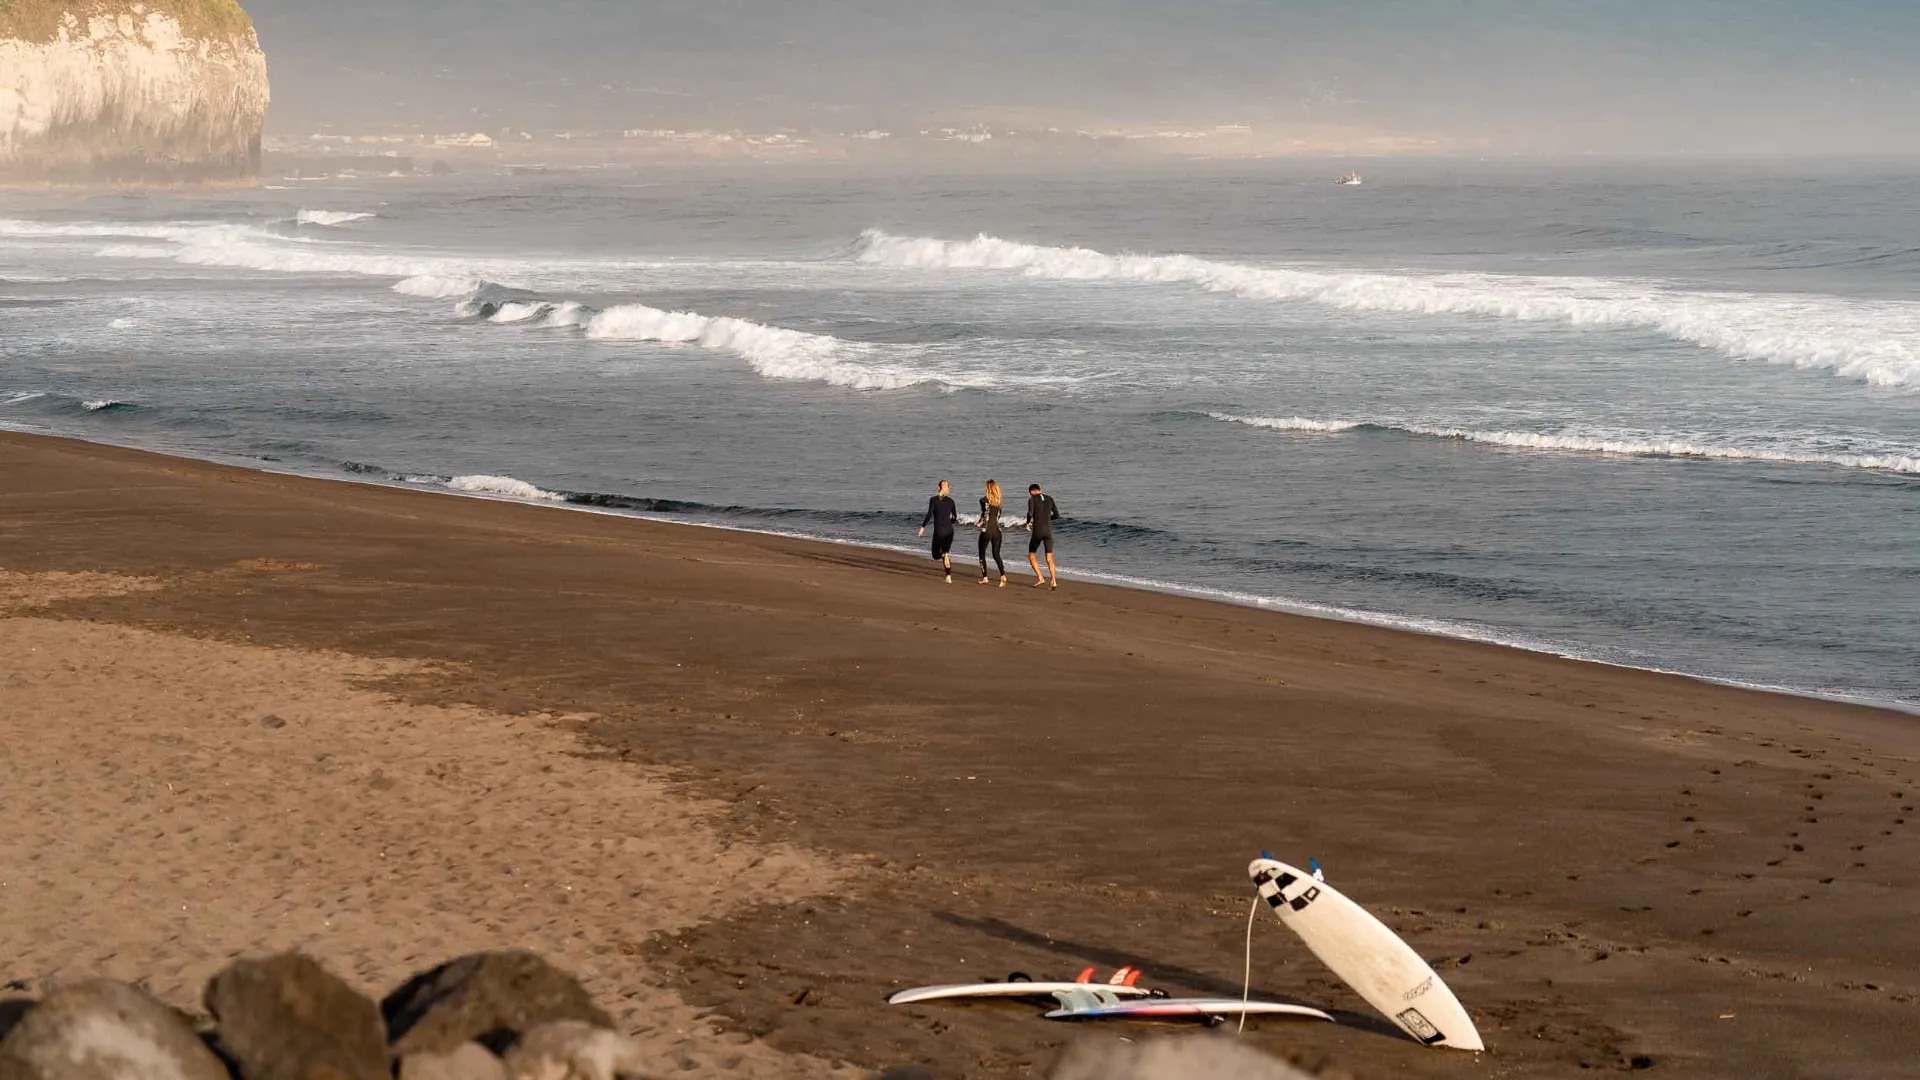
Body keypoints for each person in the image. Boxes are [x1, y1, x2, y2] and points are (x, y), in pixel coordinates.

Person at [916, 479, 959, 583]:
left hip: (939, 531)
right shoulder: (951, 501)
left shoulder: (934, 500)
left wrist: (923, 527)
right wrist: (949, 523)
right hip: (949, 531)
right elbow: (954, 517)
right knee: (946, 552)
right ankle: (948, 577)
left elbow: (929, 514)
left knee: (935, 555)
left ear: (938, 488)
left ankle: (944, 556)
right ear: (948, 489)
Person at [1022, 482, 1061, 589]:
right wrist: (1048, 519)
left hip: (1038, 531)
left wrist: (1028, 523)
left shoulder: (1032, 499)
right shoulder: (1050, 498)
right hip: (1048, 531)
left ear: (1031, 492)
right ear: (1040, 489)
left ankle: (1040, 578)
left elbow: (1030, 513)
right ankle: (1053, 581)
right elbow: (1057, 515)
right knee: (1049, 557)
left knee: (1031, 555)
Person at [976, 479, 1007, 587]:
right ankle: (1003, 575)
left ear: (988, 489)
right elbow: (997, 517)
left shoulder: (983, 500)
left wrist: (979, 523)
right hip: (997, 530)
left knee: (981, 554)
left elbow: (985, 514)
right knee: (996, 554)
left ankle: (985, 577)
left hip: (987, 530)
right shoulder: (999, 503)